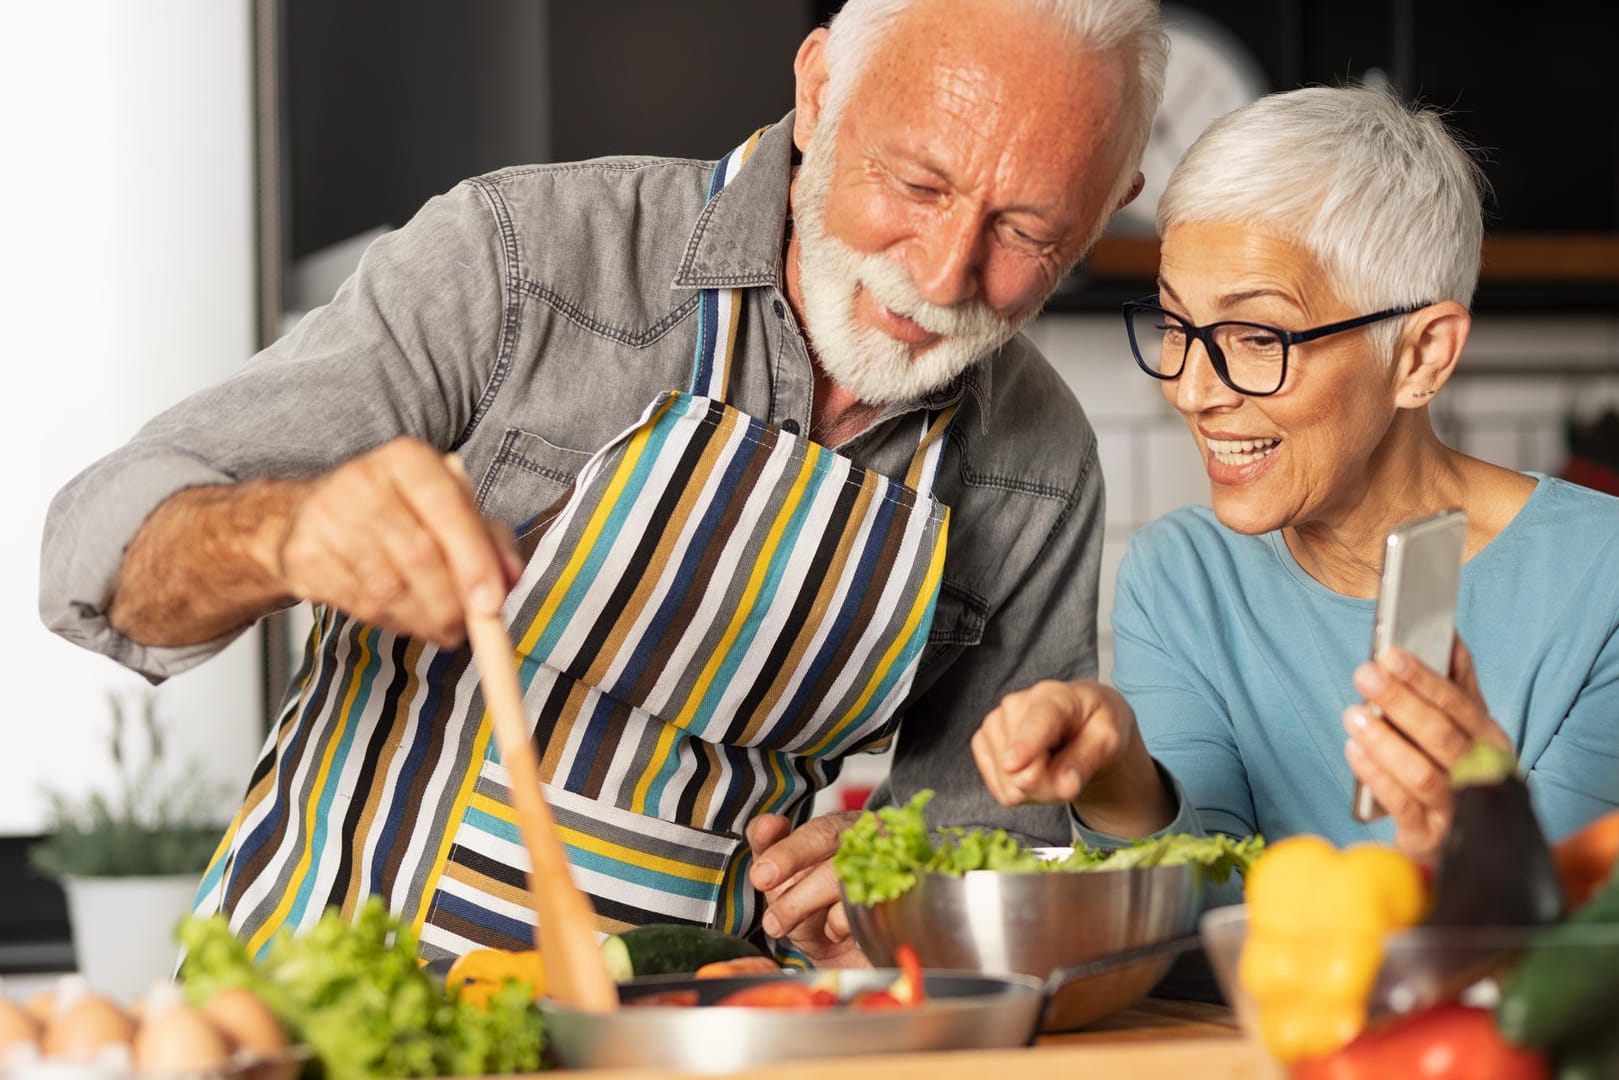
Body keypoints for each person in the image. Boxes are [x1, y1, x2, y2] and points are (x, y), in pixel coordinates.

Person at [40, 0, 1166, 967]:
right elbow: (95, 554)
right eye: (916, 182)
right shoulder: (529, 259)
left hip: (696, 1036)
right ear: (821, 93)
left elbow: (981, 867)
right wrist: (281, 533)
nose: (942, 272)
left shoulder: (1037, 465)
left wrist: (895, 898)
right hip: (317, 1021)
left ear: (1115, 197)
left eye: (1028, 230)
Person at [972, 88, 1619, 1077]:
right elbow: (1201, 939)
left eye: (1257, 338)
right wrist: (1121, 784)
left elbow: (1597, 967)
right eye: (1174, 324)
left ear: (1421, 355)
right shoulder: (1182, 573)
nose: (1192, 387)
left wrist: (1483, 837)